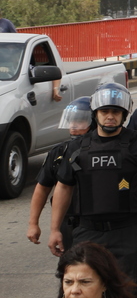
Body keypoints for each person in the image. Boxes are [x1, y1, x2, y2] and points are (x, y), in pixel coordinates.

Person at [49, 82, 137, 283]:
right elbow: (64, 187)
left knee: (125, 290)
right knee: (86, 287)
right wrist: (55, 229)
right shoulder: (76, 148)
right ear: (95, 113)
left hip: (127, 231)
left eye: (116, 112)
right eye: (105, 111)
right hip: (87, 231)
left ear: (124, 114)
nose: (110, 116)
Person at [27, 97, 92, 247]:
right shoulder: (59, 152)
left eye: (80, 121)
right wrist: (33, 223)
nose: (74, 126)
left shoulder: (106, 151)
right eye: (71, 121)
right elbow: (42, 188)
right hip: (69, 222)